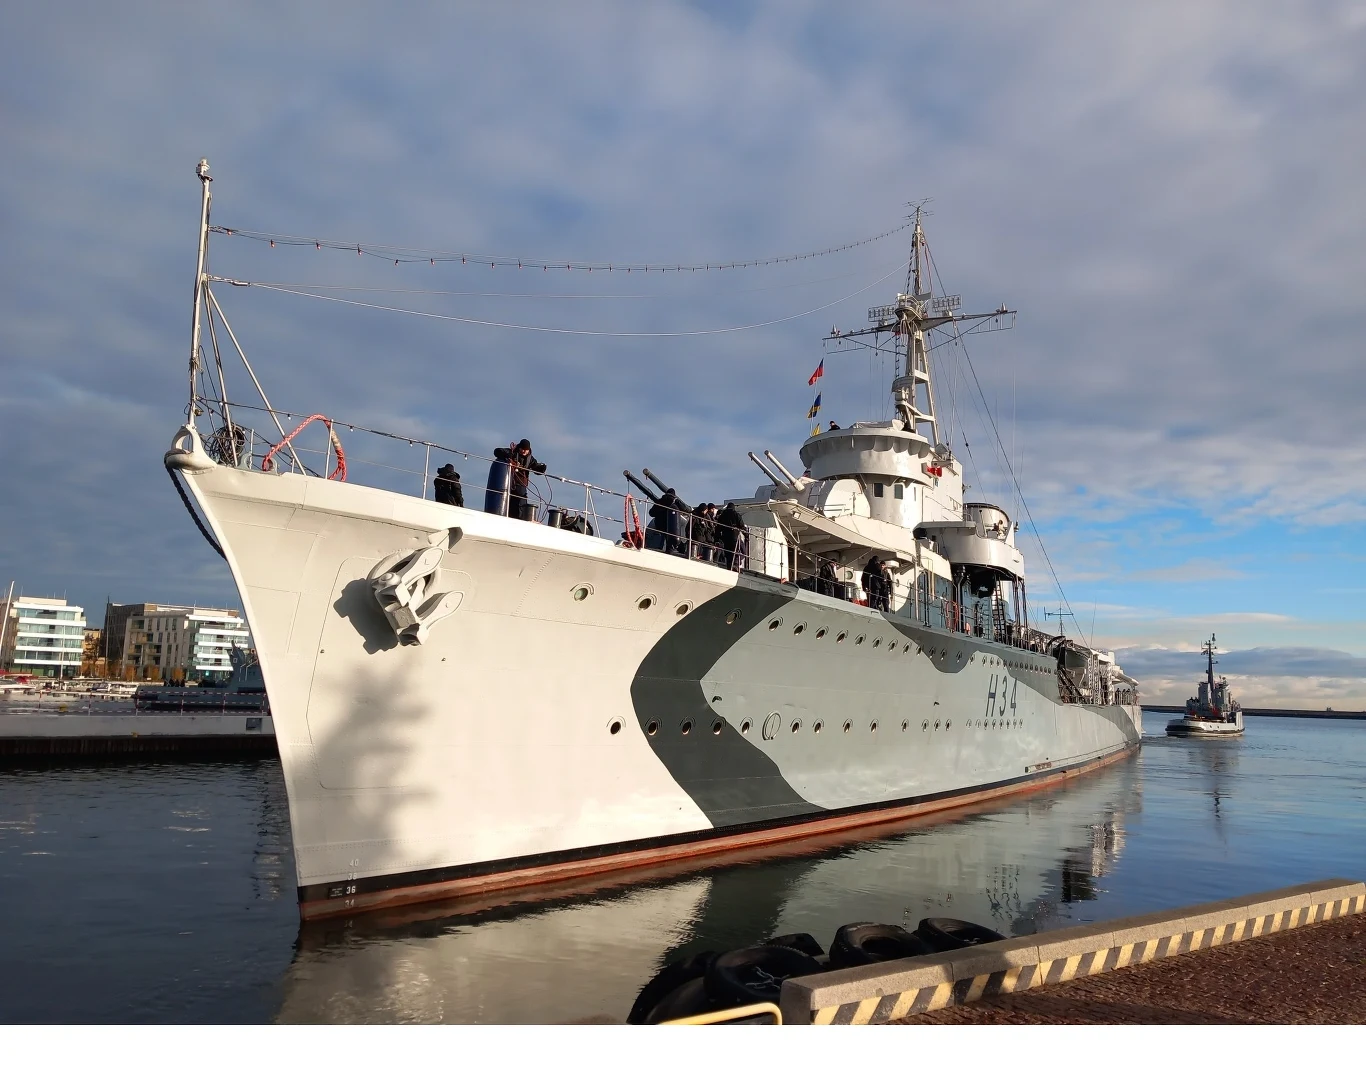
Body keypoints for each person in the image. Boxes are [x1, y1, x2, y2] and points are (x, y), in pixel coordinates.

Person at [493, 438, 547, 520]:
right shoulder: (512, 452)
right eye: (522, 449)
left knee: (521, 505)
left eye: (526, 450)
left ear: (529, 450)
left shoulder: (531, 459)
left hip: (521, 485)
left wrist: (541, 469)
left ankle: (520, 519)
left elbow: (535, 468)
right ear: (519, 448)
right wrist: (507, 455)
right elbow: (496, 451)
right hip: (510, 483)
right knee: (510, 504)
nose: (524, 451)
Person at [715, 502, 745, 569]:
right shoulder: (736, 514)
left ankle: (729, 566)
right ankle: (735, 566)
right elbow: (742, 526)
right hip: (734, 536)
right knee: (735, 551)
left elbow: (718, 528)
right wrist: (746, 534)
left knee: (728, 553)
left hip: (725, 536)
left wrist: (717, 538)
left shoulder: (722, 515)